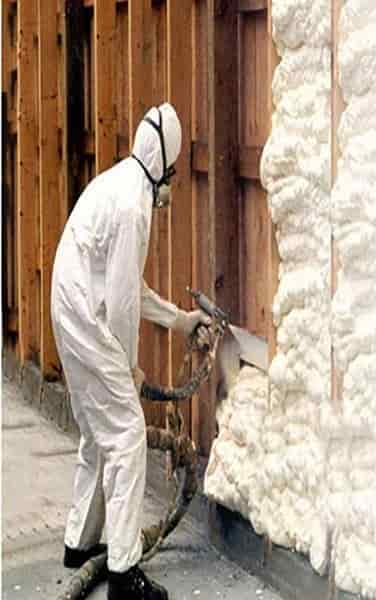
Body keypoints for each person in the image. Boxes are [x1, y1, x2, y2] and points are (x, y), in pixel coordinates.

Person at [51, 102, 209, 600]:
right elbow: (120, 304)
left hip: (70, 307)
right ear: (162, 163)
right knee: (127, 436)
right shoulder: (132, 206)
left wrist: (180, 320)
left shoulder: (122, 183)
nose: (172, 183)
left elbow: (129, 288)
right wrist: (129, 368)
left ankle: (80, 543)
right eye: (173, 172)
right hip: (88, 316)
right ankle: (123, 573)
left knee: (98, 432)